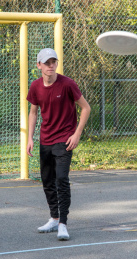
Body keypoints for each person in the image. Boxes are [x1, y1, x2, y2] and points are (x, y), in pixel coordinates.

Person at [26, 48, 91, 241]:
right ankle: (54, 218)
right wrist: (30, 138)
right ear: (39, 65)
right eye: (46, 63)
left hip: (64, 139)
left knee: (61, 179)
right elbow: (33, 113)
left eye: (53, 62)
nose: (51, 65)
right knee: (47, 181)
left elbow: (86, 108)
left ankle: (63, 223)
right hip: (45, 140)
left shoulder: (67, 84)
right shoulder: (36, 86)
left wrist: (77, 133)